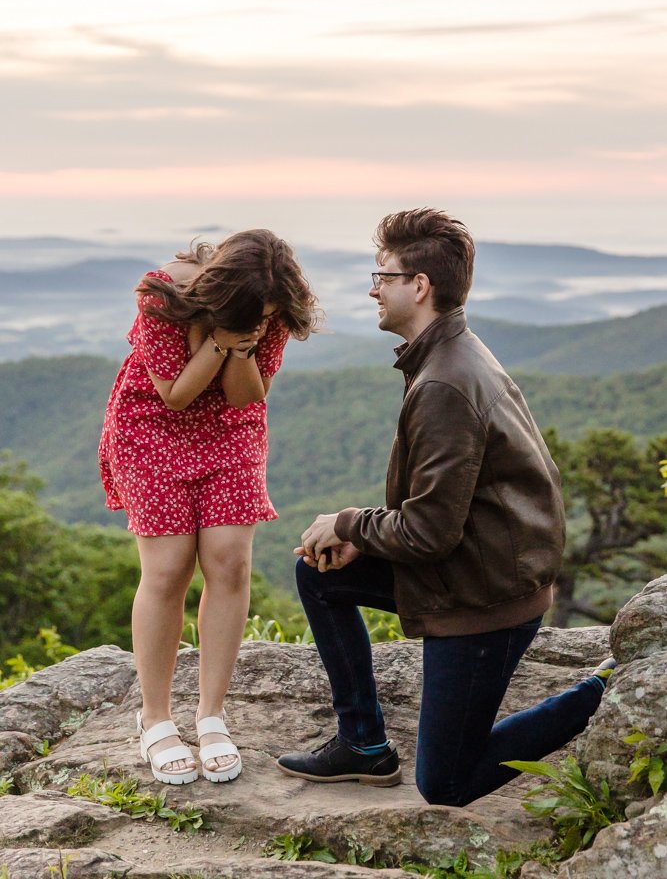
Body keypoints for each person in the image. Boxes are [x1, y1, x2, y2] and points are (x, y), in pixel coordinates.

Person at [276, 208, 615, 806]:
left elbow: (430, 533)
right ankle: (362, 745)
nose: (373, 287)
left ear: (420, 287)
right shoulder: (447, 351)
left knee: (448, 783)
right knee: (320, 573)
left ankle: (603, 690)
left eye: (383, 275)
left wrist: (350, 522)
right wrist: (363, 538)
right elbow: (439, 517)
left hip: (485, 595)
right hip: (471, 561)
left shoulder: (444, 384)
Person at [99, 229, 319, 786]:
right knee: (168, 568)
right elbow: (174, 392)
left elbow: (247, 395)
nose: (262, 316)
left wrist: (243, 345)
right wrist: (219, 340)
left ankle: (211, 714)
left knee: (228, 561)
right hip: (152, 426)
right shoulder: (161, 294)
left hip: (230, 431)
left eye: (267, 311)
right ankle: (155, 719)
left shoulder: (272, 309)